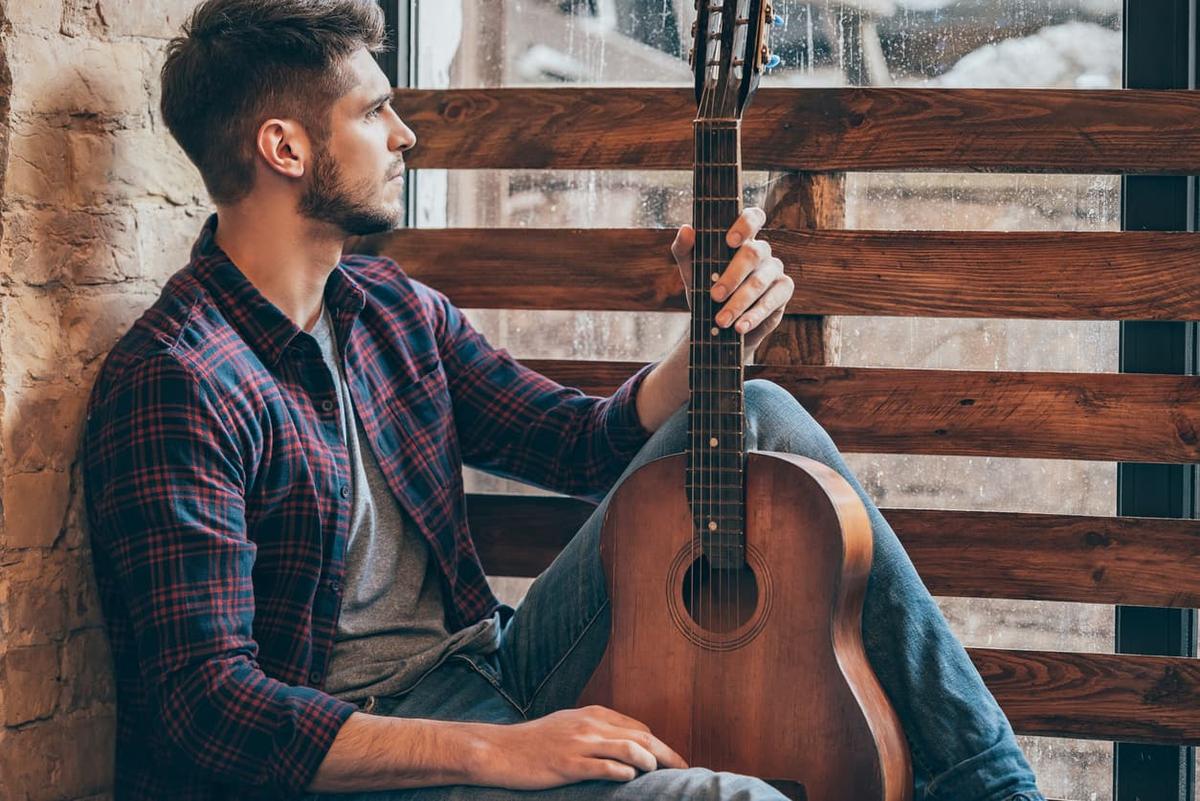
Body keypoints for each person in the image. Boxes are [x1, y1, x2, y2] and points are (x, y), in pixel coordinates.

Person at [81, 1, 1047, 800]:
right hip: (363, 748)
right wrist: (496, 749)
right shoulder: (179, 382)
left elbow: (580, 448)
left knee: (762, 415)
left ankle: (996, 788)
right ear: (284, 147)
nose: (405, 133)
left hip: (488, 661)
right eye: (375, 112)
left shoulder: (384, 308)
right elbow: (205, 707)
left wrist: (708, 348)